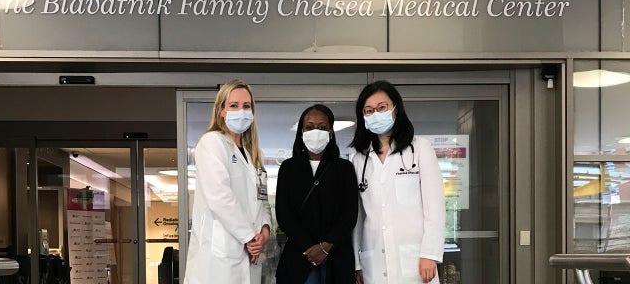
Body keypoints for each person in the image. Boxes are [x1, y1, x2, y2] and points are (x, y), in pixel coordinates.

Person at [349, 80, 445, 284]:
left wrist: (430, 253)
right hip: (373, 259)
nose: (375, 114)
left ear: (396, 108)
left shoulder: (420, 148)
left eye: (381, 107)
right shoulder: (359, 157)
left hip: (416, 259)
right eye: (368, 110)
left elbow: (435, 207)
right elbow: (357, 215)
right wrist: (357, 262)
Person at [184, 79, 272, 284]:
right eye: (234, 106)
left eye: (246, 106)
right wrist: (250, 237)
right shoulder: (212, 143)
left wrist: (264, 233)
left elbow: (262, 201)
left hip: (250, 256)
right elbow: (220, 197)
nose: (241, 111)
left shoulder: (253, 155)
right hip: (218, 259)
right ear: (221, 111)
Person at [275, 104, 359, 284]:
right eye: (309, 127)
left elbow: (350, 214)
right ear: (301, 132)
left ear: (330, 132)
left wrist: (326, 246)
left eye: (322, 127)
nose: (316, 131)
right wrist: (309, 247)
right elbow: (284, 214)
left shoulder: (344, 168)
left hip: (337, 258)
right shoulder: (289, 168)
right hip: (299, 257)